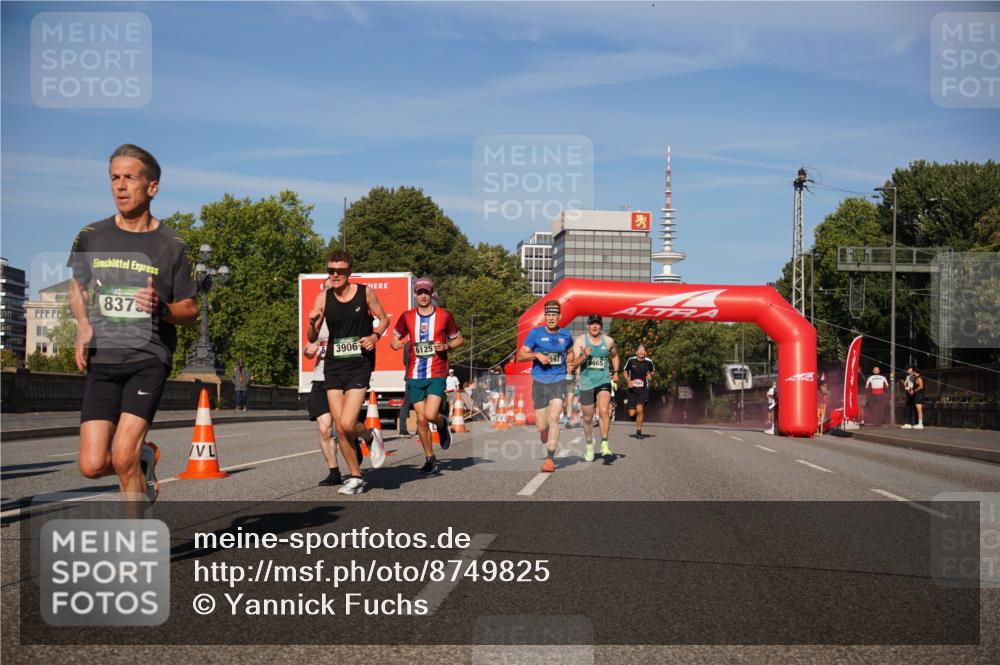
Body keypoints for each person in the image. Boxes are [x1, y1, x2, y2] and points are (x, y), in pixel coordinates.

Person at [69, 144, 199, 505]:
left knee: (122, 456)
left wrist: (161, 308)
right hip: (103, 361)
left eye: (129, 177)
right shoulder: (91, 235)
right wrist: (81, 323)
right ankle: (144, 462)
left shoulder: (172, 244)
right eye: (114, 177)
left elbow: (191, 310)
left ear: (152, 187)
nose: (120, 186)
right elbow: (77, 288)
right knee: (93, 465)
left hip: (148, 358)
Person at [307, 250, 390, 495]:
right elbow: (312, 337)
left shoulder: (365, 293)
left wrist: (375, 336)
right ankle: (356, 475)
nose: (335, 275)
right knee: (341, 428)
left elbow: (384, 319)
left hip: (359, 364)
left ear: (349, 272)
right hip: (333, 365)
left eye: (340, 271)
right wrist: (312, 322)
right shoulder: (322, 298)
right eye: (331, 270)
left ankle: (371, 437)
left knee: (346, 422)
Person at [391, 277, 463, 475]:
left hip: (437, 371)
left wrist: (447, 345)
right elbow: (394, 338)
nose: (423, 296)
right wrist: (395, 343)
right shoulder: (406, 316)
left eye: (427, 293)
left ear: (432, 294)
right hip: (414, 374)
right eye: (420, 293)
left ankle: (442, 423)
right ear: (415, 295)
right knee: (421, 420)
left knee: (431, 415)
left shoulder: (444, 316)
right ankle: (430, 458)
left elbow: (459, 339)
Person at [304, 288, 361, 486]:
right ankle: (334, 471)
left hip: (343, 376)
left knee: (346, 426)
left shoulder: (349, 318)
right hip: (321, 378)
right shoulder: (319, 317)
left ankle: (362, 438)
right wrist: (309, 351)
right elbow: (308, 344)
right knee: (325, 428)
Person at [516, 299, 575, 473]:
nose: (550, 318)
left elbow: (570, 353)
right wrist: (536, 356)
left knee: (555, 417)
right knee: (542, 425)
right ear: (545, 316)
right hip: (540, 382)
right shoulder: (535, 334)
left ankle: (550, 459)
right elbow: (520, 356)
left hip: (558, 380)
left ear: (560, 316)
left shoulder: (566, 335)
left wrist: (570, 364)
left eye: (554, 315)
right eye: (548, 315)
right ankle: (544, 431)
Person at [571, 314, 620, 461]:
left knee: (605, 410)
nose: (594, 326)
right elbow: (573, 363)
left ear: (601, 326)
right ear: (588, 326)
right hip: (587, 383)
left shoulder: (609, 341)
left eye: (597, 324)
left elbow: (615, 355)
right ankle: (589, 445)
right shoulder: (580, 340)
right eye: (592, 323)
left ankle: (604, 443)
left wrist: (616, 373)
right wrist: (584, 356)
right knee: (587, 418)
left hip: (604, 380)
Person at [621, 343, 656, 439]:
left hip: (643, 389)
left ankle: (639, 431)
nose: (641, 351)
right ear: (636, 352)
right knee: (632, 413)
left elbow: (653, 371)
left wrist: (650, 375)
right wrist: (628, 381)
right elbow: (624, 371)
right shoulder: (631, 360)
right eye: (639, 350)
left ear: (645, 353)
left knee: (640, 409)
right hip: (632, 390)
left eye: (643, 350)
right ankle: (634, 416)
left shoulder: (649, 362)